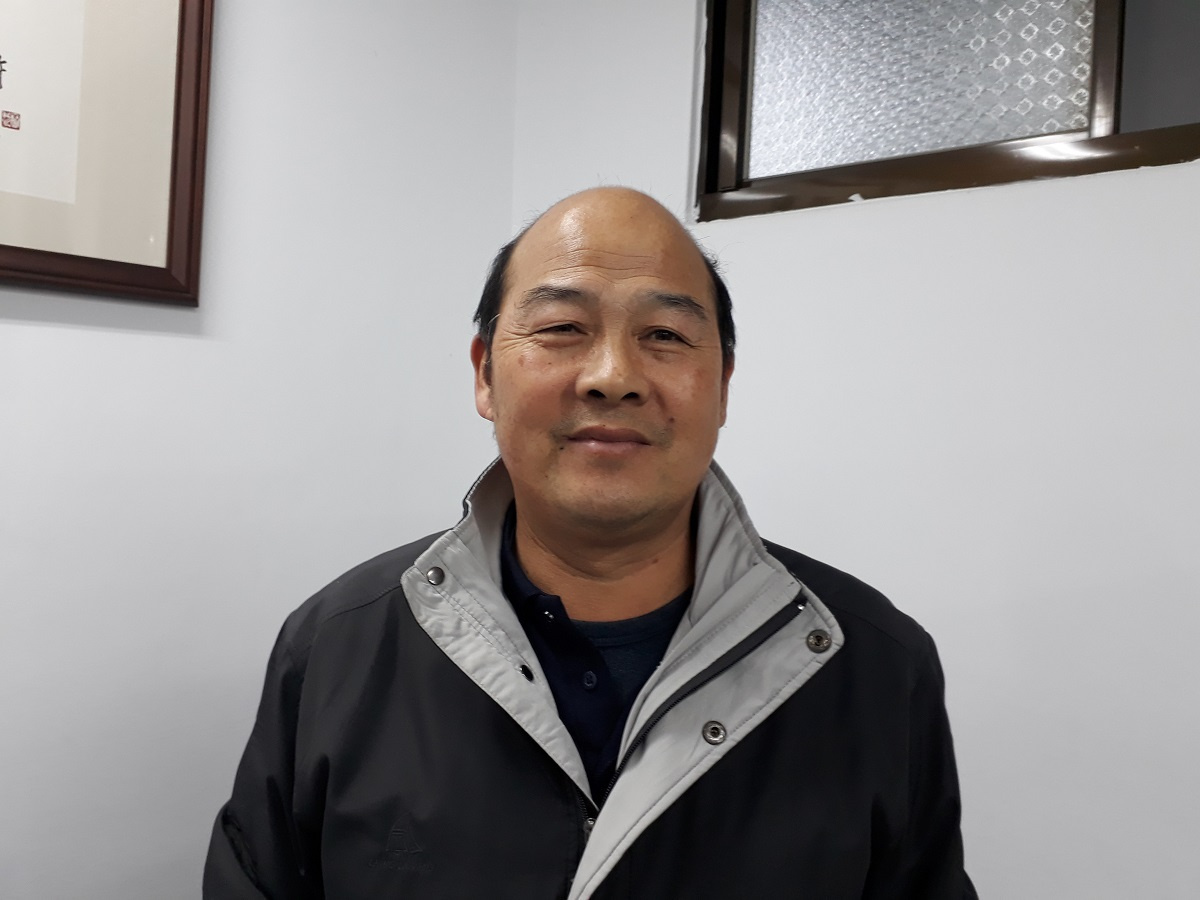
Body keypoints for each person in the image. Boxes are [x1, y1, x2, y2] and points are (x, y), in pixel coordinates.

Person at [204, 187, 976, 898]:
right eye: (562, 330)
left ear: (723, 387)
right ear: (484, 374)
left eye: (665, 335)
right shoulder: (336, 647)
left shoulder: (873, 663)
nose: (612, 376)